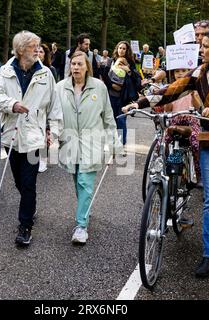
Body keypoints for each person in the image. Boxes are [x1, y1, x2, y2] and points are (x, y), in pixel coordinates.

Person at [123, 30, 209, 278]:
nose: (201, 50)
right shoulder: (200, 73)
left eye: (205, 46)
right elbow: (171, 90)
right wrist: (139, 102)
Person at [0, 30, 62, 247]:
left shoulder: (46, 74)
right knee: (19, 182)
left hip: (35, 137)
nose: (39, 50)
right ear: (22, 49)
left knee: (29, 182)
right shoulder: (4, 72)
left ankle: (25, 226)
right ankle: (29, 208)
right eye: (35, 46)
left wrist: (54, 132)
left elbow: (55, 106)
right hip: (12, 136)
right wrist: (11, 105)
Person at [55, 50, 121, 244]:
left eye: (80, 64)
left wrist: (115, 145)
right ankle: (85, 210)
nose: (76, 67)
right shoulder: (60, 87)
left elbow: (108, 118)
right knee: (77, 180)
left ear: (87, 67)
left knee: (85, 181)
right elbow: (54, 114)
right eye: (73, 64)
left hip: (92, 142)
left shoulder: (99, 87)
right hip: (69, 141)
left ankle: (81, 226)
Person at [103, 41, 141, 150]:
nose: (122, 50)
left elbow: (137, 80)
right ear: (117, 49)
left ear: (127, 50)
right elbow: (105, 76)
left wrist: (128, 70)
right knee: (111, 120)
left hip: (124, 97)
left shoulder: (130, 63)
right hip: (111, 95)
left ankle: (121, 144)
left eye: (124, 48)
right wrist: (112, 85)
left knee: (121, 120)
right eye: (120, 48)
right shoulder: (111, 61)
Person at [37, 43, 58, 173]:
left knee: (45, 134)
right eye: (37, 51)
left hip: (45, 106)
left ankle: (43, 160)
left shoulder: (51, 70)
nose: (38, 54)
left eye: (41, 52)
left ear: (45, 55)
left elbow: (53, 91)